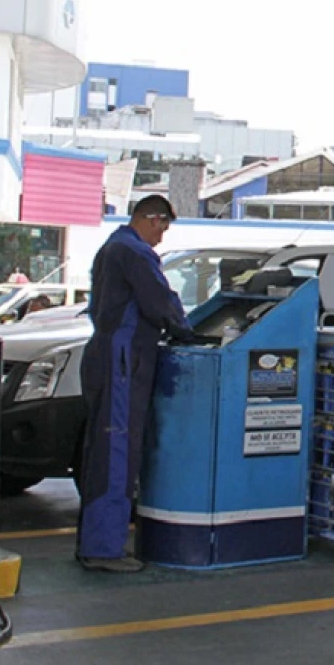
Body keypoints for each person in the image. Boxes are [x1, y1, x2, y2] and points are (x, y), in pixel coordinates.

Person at [76, 195, 192, 573]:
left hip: (106, 355)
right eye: (163, 228)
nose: (162, 237)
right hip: (122, 362)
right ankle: (103, 549)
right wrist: (186, 330)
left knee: (101, 451)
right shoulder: (136, 253)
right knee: (117, 453)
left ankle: (94, 542)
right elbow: (160, 302)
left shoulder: (111, 247)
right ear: (153, 219)